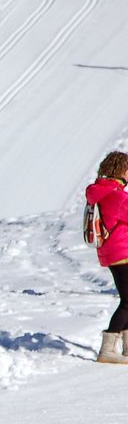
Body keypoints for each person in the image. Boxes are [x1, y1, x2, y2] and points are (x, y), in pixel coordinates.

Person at [85, 151, 128, 364]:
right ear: (120, 170)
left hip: (113, 252)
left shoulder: (102, 192)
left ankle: (126, 347)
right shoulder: (117, 196)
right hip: (122, 252)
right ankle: (107, 350)